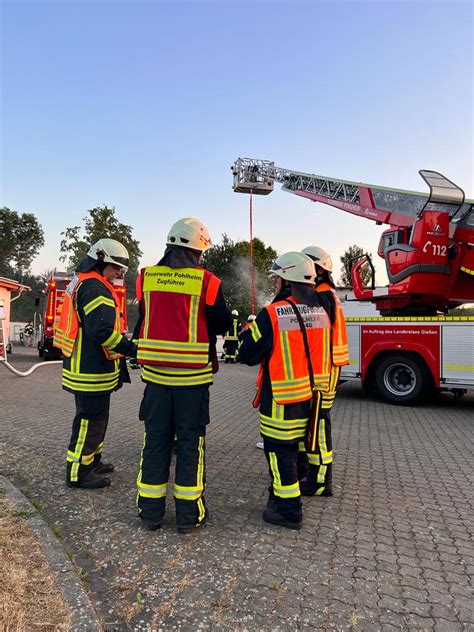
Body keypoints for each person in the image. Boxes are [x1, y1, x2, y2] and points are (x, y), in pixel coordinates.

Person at [133, 217, 232, 533]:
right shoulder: (208, 282)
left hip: (156, 379)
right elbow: (221, 326)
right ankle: (189, 516)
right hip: (192, 381)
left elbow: (144, 318)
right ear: (198, 250)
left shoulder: (146, 277)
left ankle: (150, 513)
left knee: (155, 442)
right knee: (190, 445)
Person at [239, 252, 332, 530]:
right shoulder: (321, 311)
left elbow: (248, 355)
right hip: (311, 397)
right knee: (294, 452)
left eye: (277, 277)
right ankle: (277, 498)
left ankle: (289, 511)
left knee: (280, 456)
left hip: (281, 400)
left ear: (286, 279)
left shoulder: (273, 312)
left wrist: (250, 332)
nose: (275, 282)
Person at [54, 238, 137, 489]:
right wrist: (131, 349)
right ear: (100, 263)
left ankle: (92, 462)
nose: (119, 274)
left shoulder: (84, 283)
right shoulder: (94, 288)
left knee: (98, 418)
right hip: (89, 370)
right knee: (89, 421)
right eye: (116, 268)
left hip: (87, 368)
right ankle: (78, 471)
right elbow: (101, 331)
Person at [298, 246, 349, 496]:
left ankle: (319, 481)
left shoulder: (322, 296)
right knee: (315, 422)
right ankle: (310, 472)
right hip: (325, 370)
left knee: (318, 425)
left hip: (322, 373)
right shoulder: (326, 294)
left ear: (317, 269)